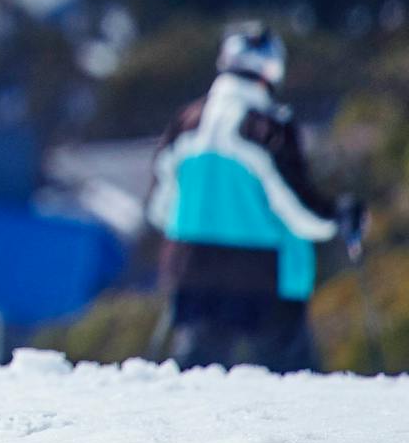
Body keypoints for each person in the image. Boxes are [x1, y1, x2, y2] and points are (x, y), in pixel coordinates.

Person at [146, 23, 359, 373]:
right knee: (291, 381)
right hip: (263, 277)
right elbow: (301, 213)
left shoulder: (186, 122)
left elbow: (159, 208)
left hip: (191, 268)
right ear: (271, 71)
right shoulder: (265, 127)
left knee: (193, 382)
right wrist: (339, 216)